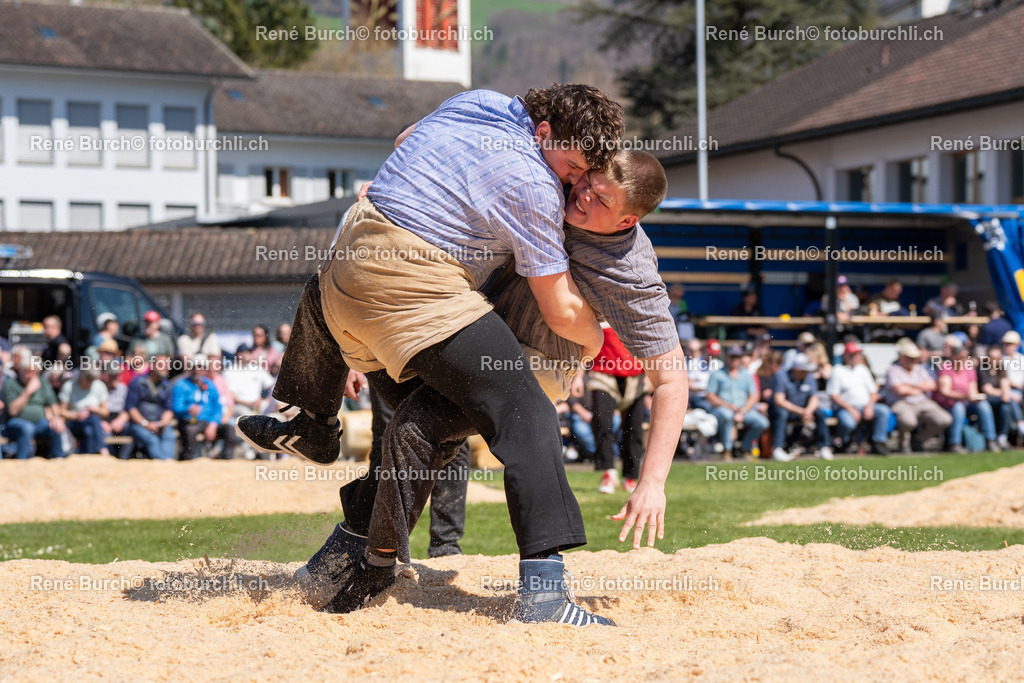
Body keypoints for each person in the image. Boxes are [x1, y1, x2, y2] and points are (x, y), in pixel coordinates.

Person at [239, 85, 636, 626]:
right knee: (526, 414)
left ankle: (347, 529)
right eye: (569, 167)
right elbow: (560, 309)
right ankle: (545, 596)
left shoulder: (479, 101)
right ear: (544, 132)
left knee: (424, 428)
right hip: (411, 285)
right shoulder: (534, 184)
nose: (570, 182)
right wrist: (593, 342)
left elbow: (406, 139)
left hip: (342, 277)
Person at [295, 150, 686, 622]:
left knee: (417, 427)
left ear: (627, 220)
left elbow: (670, 377)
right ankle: (350, 544)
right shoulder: (551, 188)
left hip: (537, 361)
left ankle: (525, 588)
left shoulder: (630, 272)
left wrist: (653, 483)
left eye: (599, 198)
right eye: (587, 181)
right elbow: (425, 140)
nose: (581, 195)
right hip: (459, 327)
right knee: (410, 433)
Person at [591, 325, 648, 494]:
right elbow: (583, 345)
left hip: (636, 378)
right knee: (601, 423)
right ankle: (609, 472)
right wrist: (578, 377)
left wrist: (653, 376)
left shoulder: (638, 312)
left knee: (634, 429)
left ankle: (630, 477)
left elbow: (651, 346)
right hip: (604, 375)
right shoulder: (598, 310)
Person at [883, 338, 954, 452]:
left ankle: (918, 440)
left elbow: (931, 385)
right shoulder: (893, 370)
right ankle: (903, 443)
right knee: (908, 421)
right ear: (901, 357)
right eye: (910, 358)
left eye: (915, 358)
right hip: (901, 402)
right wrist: (920, 387)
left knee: (945, 419)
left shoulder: (920, 369)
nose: (913, 360)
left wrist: (910, 386)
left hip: (922, 401)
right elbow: (900, 390)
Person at [933, 337, 999, 453]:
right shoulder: (946, 368)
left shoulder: (968, 368)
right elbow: (945, 391)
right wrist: (964, 397)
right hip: (948, 404)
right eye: (961, 357)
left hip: (966, 401)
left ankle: (991, 440)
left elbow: (972, 389)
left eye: (966, 357)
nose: (964, 360)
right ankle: (954, 443)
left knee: (983, 405)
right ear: (954, 357)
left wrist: (975, 397)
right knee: (959, 408)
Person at [827, 341, 891, 455]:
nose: (857, 357)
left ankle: (878, 442)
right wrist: (850, 409)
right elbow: (833, 394)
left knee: (883, 411)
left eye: (858, 354)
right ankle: (844, 442)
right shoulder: (837, 370)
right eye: (854, 354)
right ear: (846, 356)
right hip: (845, 408)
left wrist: (869, 406)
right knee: (848, 423)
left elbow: (873, 392)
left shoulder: (863, 369)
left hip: (865, 406)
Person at [706, 345, 769, 459]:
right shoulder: (717, 374)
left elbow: (754, 396)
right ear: (726, 356)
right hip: (723, 408)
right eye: (732, 357)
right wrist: (729, 406)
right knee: (727, 416)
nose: (734, 359)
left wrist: (743, 411)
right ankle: (727, 449)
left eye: (737, 357)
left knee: (762, 422)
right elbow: (710, 396)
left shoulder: (746, 375)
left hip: (743, 409)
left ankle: (745, 448)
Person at [171, 355, 239, 460]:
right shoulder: (181, 384)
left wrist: (213, 423)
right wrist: (188, 409)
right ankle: (187, 460)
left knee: (229, 430)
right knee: (189, 431)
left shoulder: (210, 385)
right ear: (191, 368)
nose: (199, 370)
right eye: (196, 367)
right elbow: (176, 408)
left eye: (202, 367)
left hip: (208, 422)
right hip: (189, 422)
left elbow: (218, 408)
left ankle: (223, 460)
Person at [770, 353, 832, 461]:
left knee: (820, 413)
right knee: (781, 413)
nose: (807, 372)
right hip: (786, 410)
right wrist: (801, 412)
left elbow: (814, 398)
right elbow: (779, 401)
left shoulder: (809, 377)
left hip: (804, 410)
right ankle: (777, 448)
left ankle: (824, 447)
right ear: (796, 369)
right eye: (804, 370)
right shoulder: (781, 376)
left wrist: (808, 410)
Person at [2, 354, 66, 458]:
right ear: (20, 371)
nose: (32, 376)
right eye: (28, 372)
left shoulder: (42, 382)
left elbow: (53, 403)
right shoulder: (12, 384)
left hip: (39, 423)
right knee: (27, 428)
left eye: (35, 373)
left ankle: (58, 459)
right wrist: (28, 391)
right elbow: (13, 411)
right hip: (16, 423)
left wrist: (57, 418)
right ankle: (22, 460)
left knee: (56, 427)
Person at [124, 354, 177, 460]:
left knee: (170, 435)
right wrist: (146, 424)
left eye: (167, 365)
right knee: (151, 439)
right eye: (162, 364)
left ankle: (167, 464)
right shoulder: (137, 382)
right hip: (139, 425)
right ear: (152, 365)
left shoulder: (167, 385)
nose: (166, 367)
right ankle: (162, 464)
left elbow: (169, 410)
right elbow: (131, 408)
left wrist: (162, 423)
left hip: (159, 424)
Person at [58, 368, 111, 456]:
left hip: (93, 424)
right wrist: (76, 415)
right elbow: (61, 411)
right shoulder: (69, 386)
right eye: (88, 380)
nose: (90, 383)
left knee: (89, 430)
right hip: (74, 423)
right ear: (81, 376)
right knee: (93, 420)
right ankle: (102, 448)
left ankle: (89, 456)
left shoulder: (99, 386)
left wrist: (97, 409)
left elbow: (106, 412)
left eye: (92, 380)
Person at [978, 344, 1021, 450]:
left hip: (999, 400)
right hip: (984, 399)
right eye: (992, 358)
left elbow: (1005, 384)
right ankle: (1020, 422)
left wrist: (1006, 394)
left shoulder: (1001, 368)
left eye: (997, 358)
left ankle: (1002, 437)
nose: (995, 360)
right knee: (1009, 400)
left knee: (1006, 406)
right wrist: (1004, 394)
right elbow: (987, 389)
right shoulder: (982, 368)